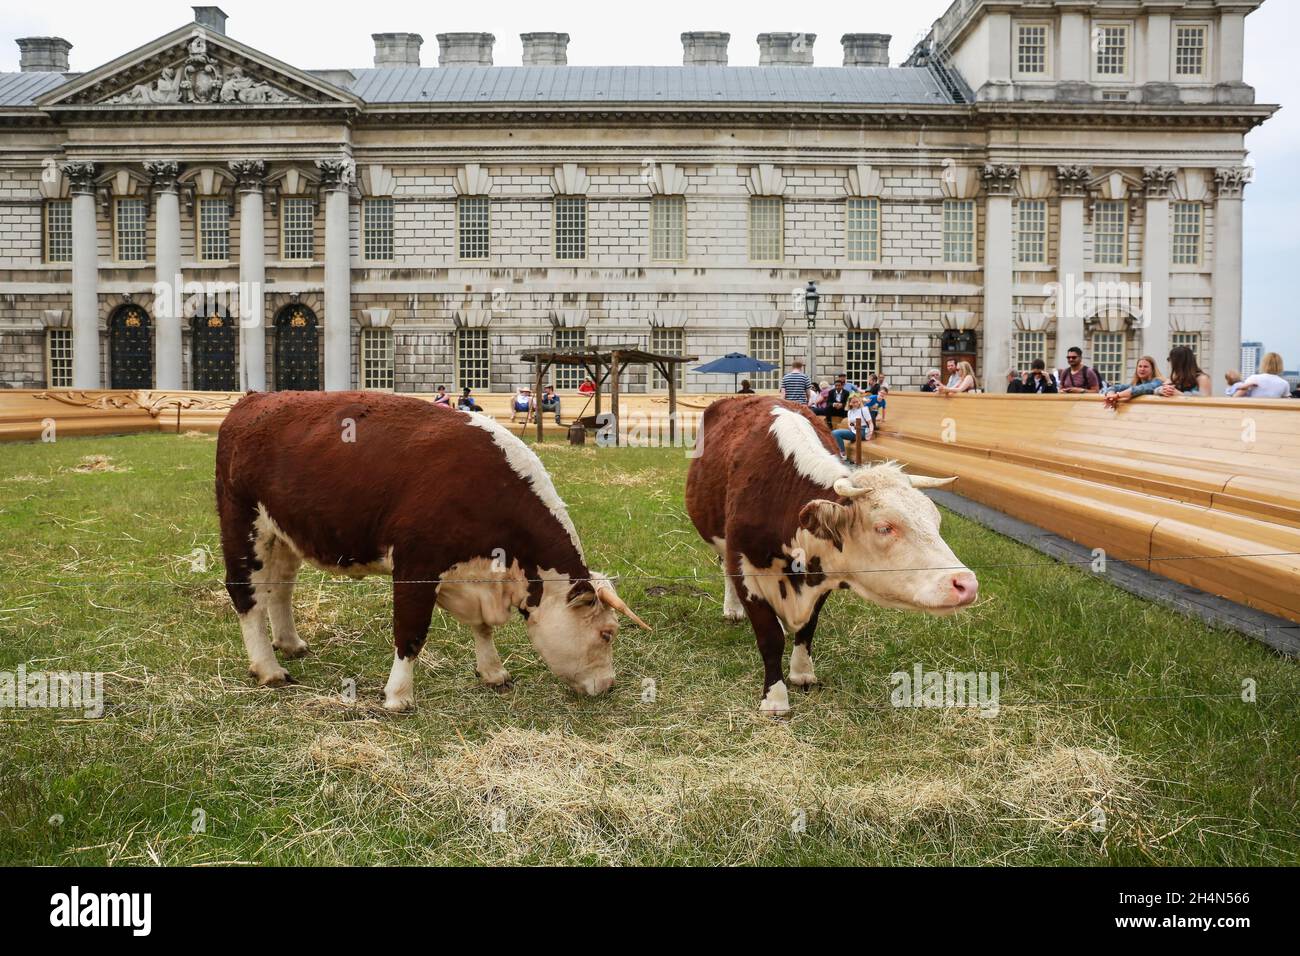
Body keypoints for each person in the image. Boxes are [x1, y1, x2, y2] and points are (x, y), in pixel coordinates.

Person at [831, 393, 874, 461]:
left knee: (836, 433)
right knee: (834, 433)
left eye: (857, 401)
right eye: (853, 402)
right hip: (853, 430)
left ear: (859, 401)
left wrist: (870, 433)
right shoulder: (850, 412)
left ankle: (843, 454)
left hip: (862, 430)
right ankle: (842, 453)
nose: (855, 403)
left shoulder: (864, 409)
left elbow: (870, 423)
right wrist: (852, 426)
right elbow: (849, 423)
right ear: (850, 403)